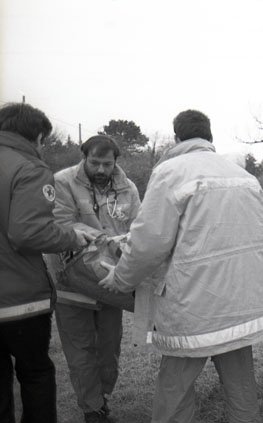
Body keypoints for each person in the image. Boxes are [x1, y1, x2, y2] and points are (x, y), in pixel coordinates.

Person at [99, 109, 263, 423]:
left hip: (194, 305)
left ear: (177, 137)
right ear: (209, 136)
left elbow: (149, 242)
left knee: (175, 385)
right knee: (240, 383)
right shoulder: (244, 177)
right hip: (240, 303)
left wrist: (120, 278)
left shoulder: (171, 172)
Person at [0, 102, 93, 423]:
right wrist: (72, 237)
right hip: (18, 301)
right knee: (35, 373)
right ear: (37, 136)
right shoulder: (29, 169)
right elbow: (28, 232)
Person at [52, 135, 140, 423]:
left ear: (116, 162)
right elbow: (61, 223)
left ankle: (102, 397)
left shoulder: (128, 189)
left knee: (109, 349)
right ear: (84, 158)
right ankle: (93, 410)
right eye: (95, 163)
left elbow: (139, 228)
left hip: (110, 281)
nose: (101, 169)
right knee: (80, 352)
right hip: (72, 281)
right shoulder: (62, 182)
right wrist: (102, 238)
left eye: (107, 164)